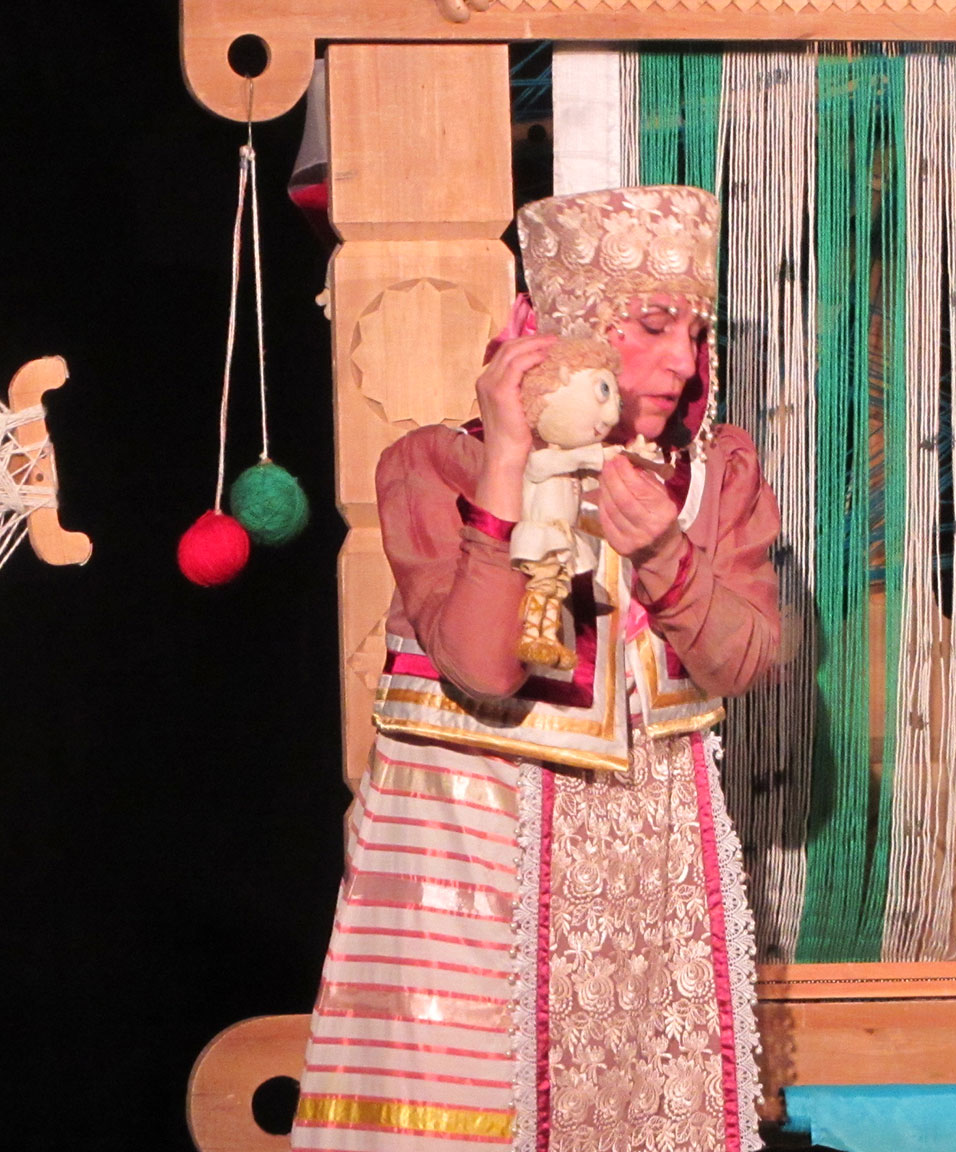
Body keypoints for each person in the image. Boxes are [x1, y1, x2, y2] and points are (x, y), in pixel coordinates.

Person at [291, 185, 781, 1152]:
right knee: (466, 1110)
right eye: (652, 327)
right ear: (567, 333)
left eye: (695, 332)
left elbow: (747, 661)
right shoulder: (433, 467)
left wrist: (666, 557)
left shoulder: (715, 473)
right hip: (475, 865)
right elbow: (485, 670)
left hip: (646, 873)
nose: (684, 362)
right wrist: (508, 465)